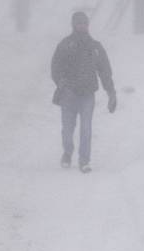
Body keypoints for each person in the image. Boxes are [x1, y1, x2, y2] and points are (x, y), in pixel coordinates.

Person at [50, 11, 116, 173]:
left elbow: (105, 71)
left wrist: (111, 92)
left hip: (88, 95)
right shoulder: (65, 45)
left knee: (86, 128)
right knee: (67, 128)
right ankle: (67, 153)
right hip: (68, 94)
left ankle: (84, 161)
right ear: (73, 24)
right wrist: (61, 83)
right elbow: (55, 67)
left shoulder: (95, 47)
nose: (82, 26)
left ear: (88, 25)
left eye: (84, 23)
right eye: (79, 23)